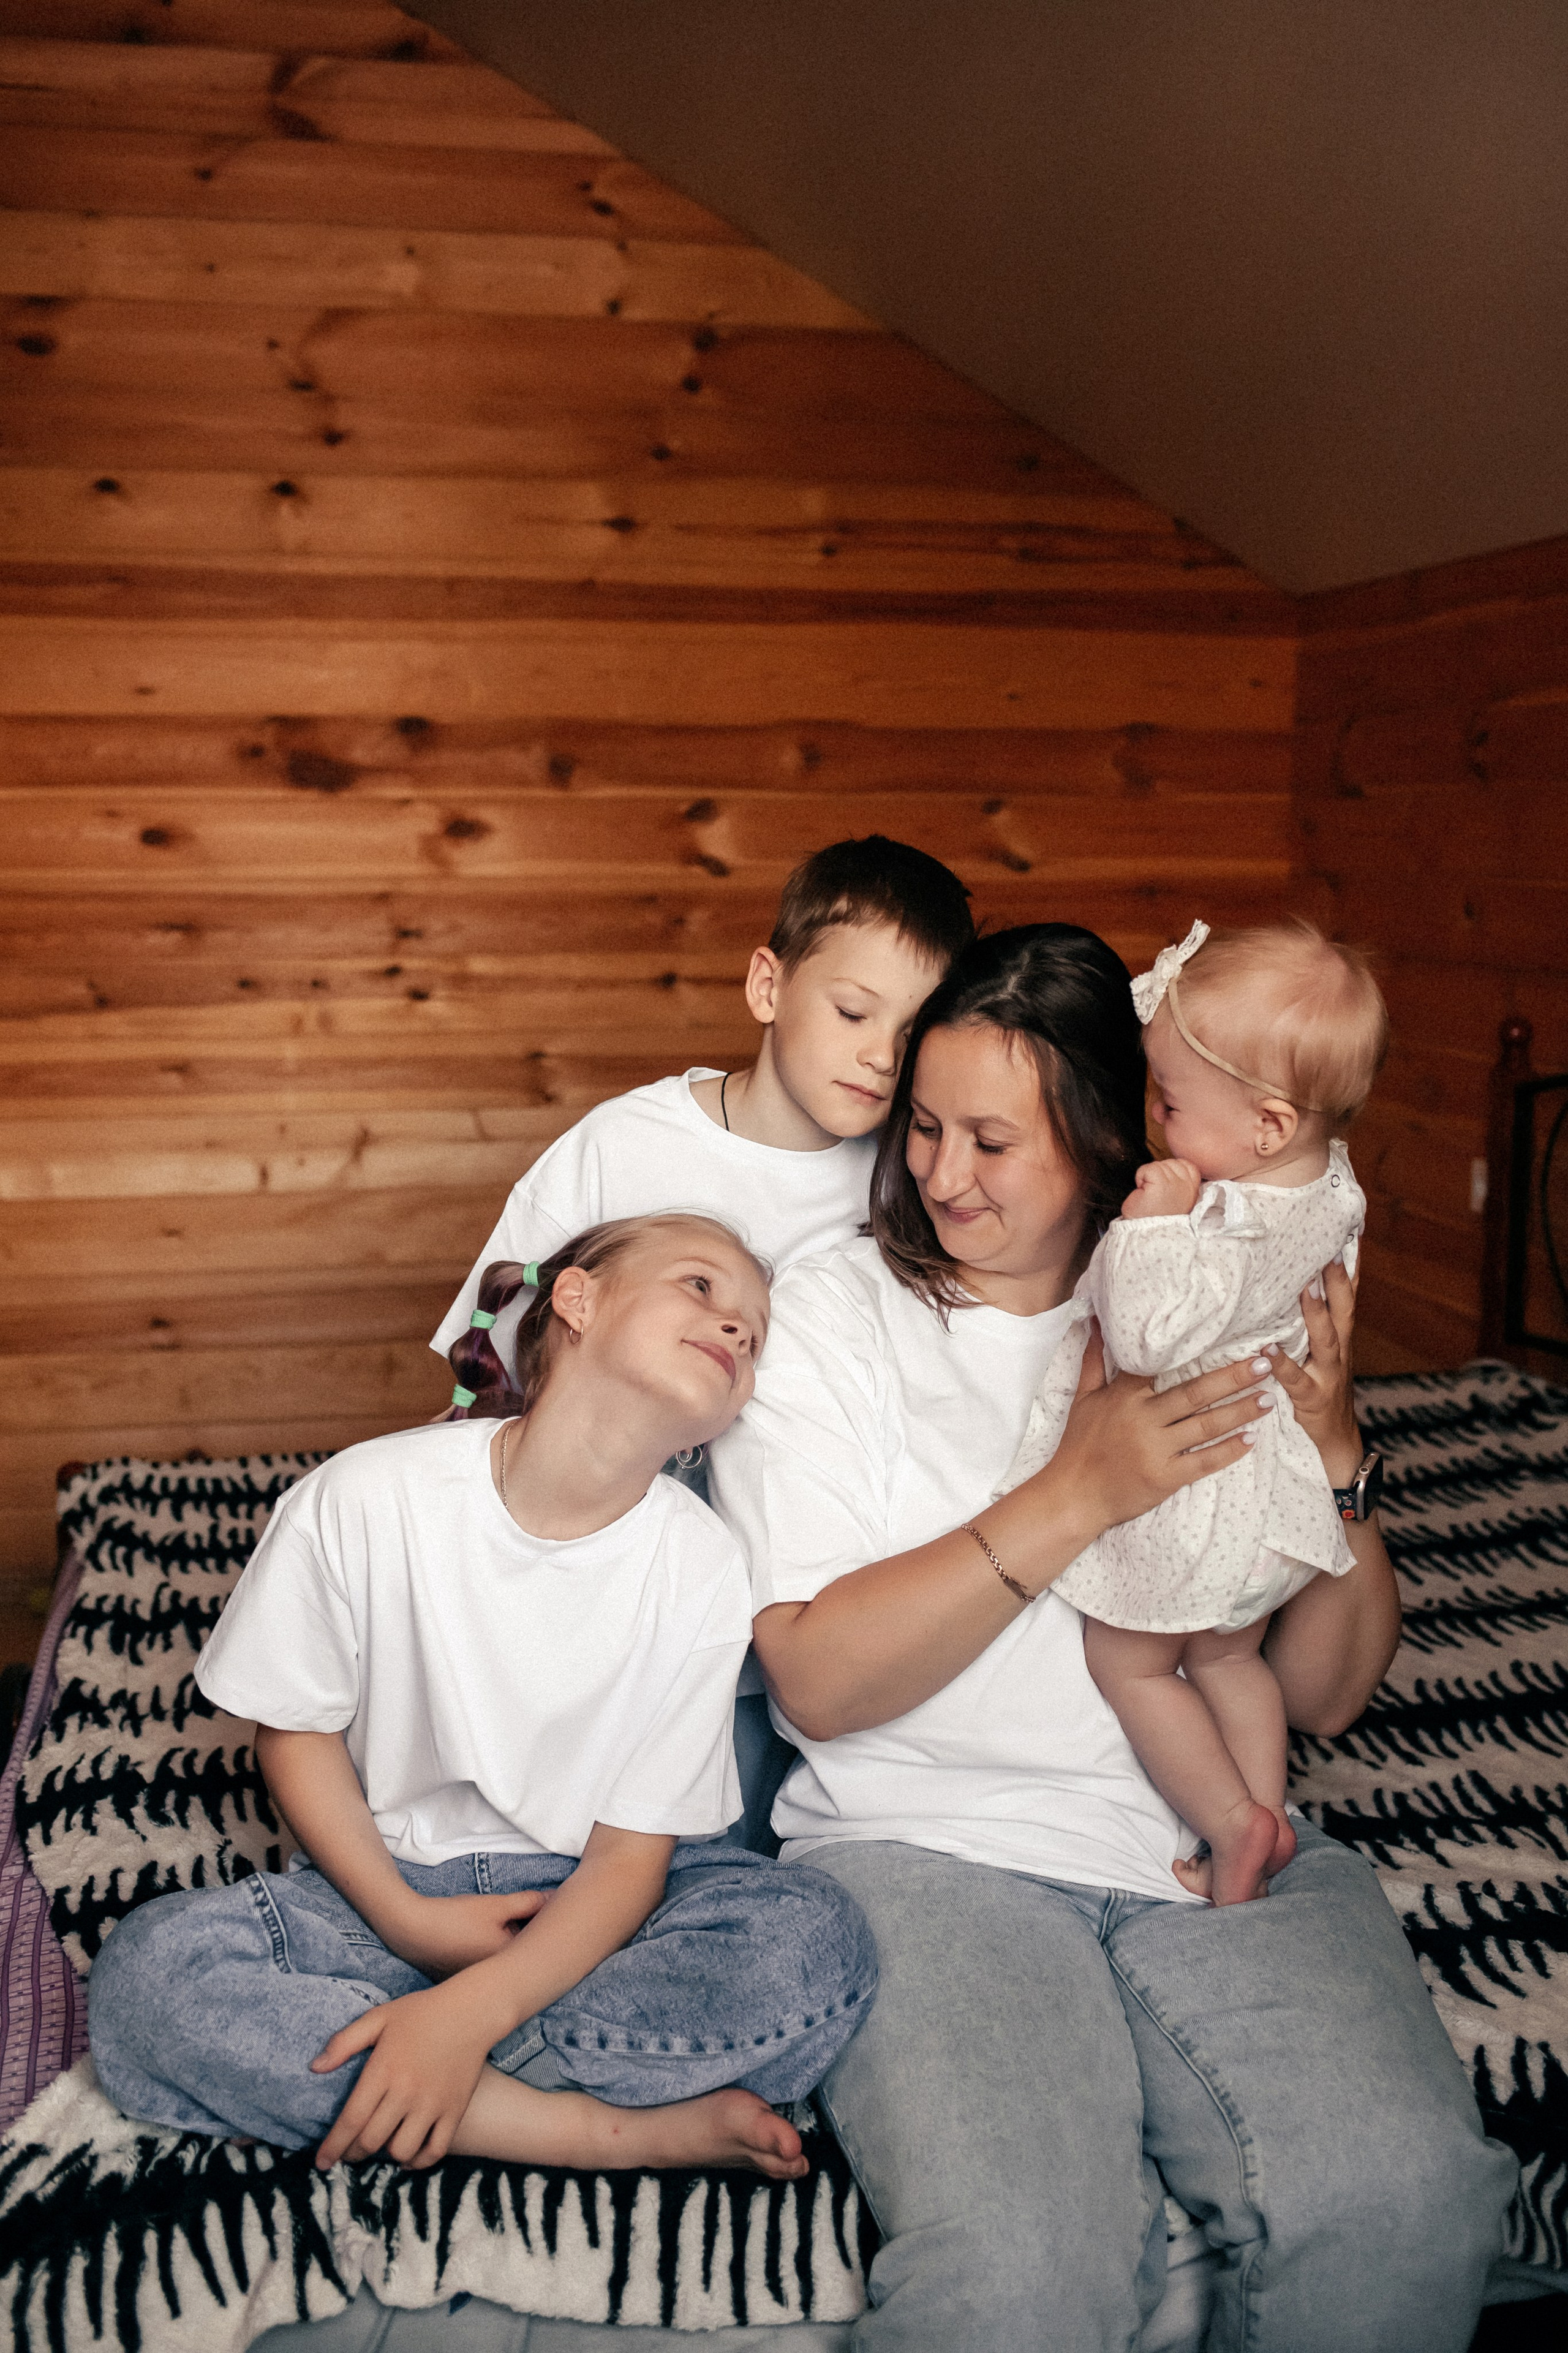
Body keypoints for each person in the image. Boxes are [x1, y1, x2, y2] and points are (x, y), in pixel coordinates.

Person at [708, 926, 1515, 2352]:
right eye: (923, 1127)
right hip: (930, 1851)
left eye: (991, 1140)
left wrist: (1338, 1459)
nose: (939, 1174)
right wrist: (1076, 1487)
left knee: (1409, 2200)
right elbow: (817, 1684)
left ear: (1100, 1137)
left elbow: (1324, 1693)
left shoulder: (1217, 1292)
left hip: (1213, 1845)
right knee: (1028, 2268)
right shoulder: (832, 1315)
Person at [88, 1214, 876, 2179]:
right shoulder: (362, 1497)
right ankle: (585, 2129)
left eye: (754, 1331)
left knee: (814, 1941)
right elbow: (295, 1736)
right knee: (149, 1974)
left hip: (601, 1914)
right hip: (384, 1898)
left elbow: (633, 1861)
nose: (736, 1329)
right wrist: (407, 1924)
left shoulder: (705, 1566)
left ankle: (427, 2068)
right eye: (702, 1287)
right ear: (577, 1300)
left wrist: (476, 2008)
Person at [997, 918, 1388, 1903]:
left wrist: (1154, 1224)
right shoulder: (1330, 1192)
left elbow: (1147, 1338)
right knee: (1231, 1658)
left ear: (1267, 1128)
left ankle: (1230, 1821)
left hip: (1203, 1493)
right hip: (1275, 1504)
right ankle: (1266, 1825)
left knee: (1132, 1663)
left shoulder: (1223, 1225)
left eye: (1170, 1102)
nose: (1155, 1120)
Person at [429, 834, 975, 1391]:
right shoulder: (624, 1141)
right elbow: (488, 1366)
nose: (883, 1057)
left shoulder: (906, 1179)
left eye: (911, 1036)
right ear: (768, 988)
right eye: (853, 1013)